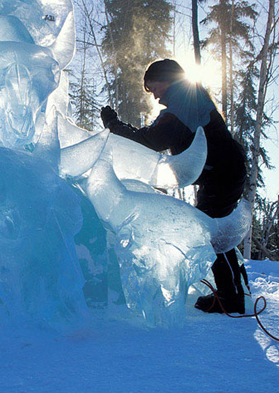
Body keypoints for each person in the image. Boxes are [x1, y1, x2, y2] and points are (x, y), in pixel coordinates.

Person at [100, 59, 248, 314]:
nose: (154, 96)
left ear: (165, 77)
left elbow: (150, 141)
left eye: (152, 87)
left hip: (222, 173)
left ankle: (230, 299)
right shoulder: (190, 98)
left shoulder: (183, 100)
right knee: (216, 232)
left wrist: (114, 126)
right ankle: (232, 293)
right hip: (224, 172)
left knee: (212, 233)